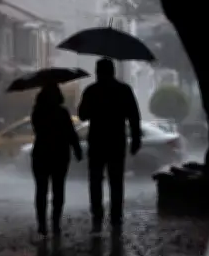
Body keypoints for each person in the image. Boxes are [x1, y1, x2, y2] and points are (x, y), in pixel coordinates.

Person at [78, 58, 141, 233]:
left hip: (97, 141)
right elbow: (134, 117)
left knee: (96, 180)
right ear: (113, 71)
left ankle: (97, 213)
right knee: (116, 180)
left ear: (98, 71)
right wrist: (136, 139)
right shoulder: (124, 90)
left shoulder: (91, 91)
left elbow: (82, 115)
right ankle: (116, 215)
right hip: (116, 141)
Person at [30, 83, 83, 237]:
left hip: (41, 154)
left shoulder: (37, 112)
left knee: (41, 190)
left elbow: (38, 129)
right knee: (58, 190)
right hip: (60, 155)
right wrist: (77, 150)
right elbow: (71, 133)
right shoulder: (62, 112)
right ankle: (55, 224)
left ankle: (42, 224)